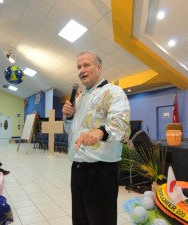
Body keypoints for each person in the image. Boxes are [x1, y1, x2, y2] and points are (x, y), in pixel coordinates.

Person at [62, 51, 131, 225]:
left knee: (101, 220)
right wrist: (68, 117)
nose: (81, 70)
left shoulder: (113, 92)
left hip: (101, 170)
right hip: (77, 167)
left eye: (86, 65)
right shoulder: (79, 98)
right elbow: (71, 130)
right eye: (79, 67)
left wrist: (99, 133)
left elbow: (121, 124)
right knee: (80, 218)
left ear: (99, 68)